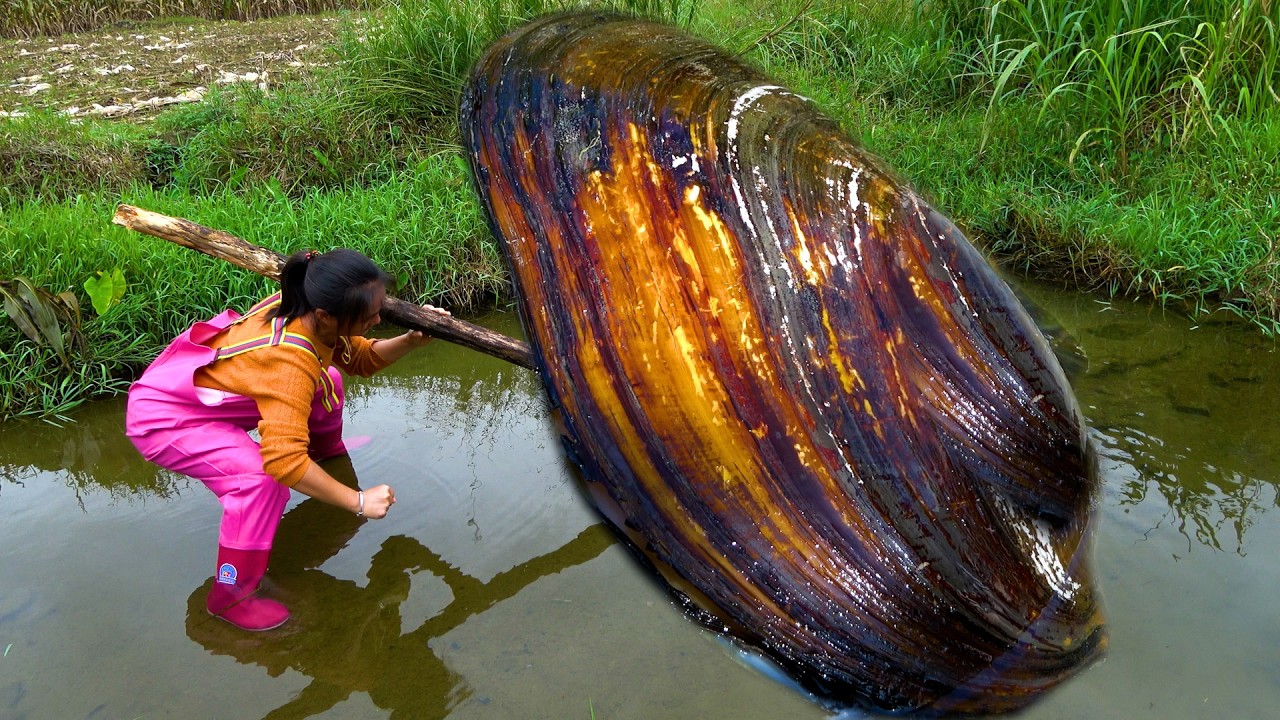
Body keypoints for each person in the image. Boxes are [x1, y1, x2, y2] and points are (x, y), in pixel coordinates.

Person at [126, 248, 448, 632]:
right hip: (166, 419)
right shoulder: (290, 361)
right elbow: (284, 463)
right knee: (259, 479)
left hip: (208, 390)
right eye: (369, 316)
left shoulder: (305, 304)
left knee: (328, 381)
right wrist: (358, 501)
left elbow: (357, 359)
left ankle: (324, 456)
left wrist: (410, 340)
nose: (378, 320)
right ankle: (230, 594)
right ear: (327, 316)